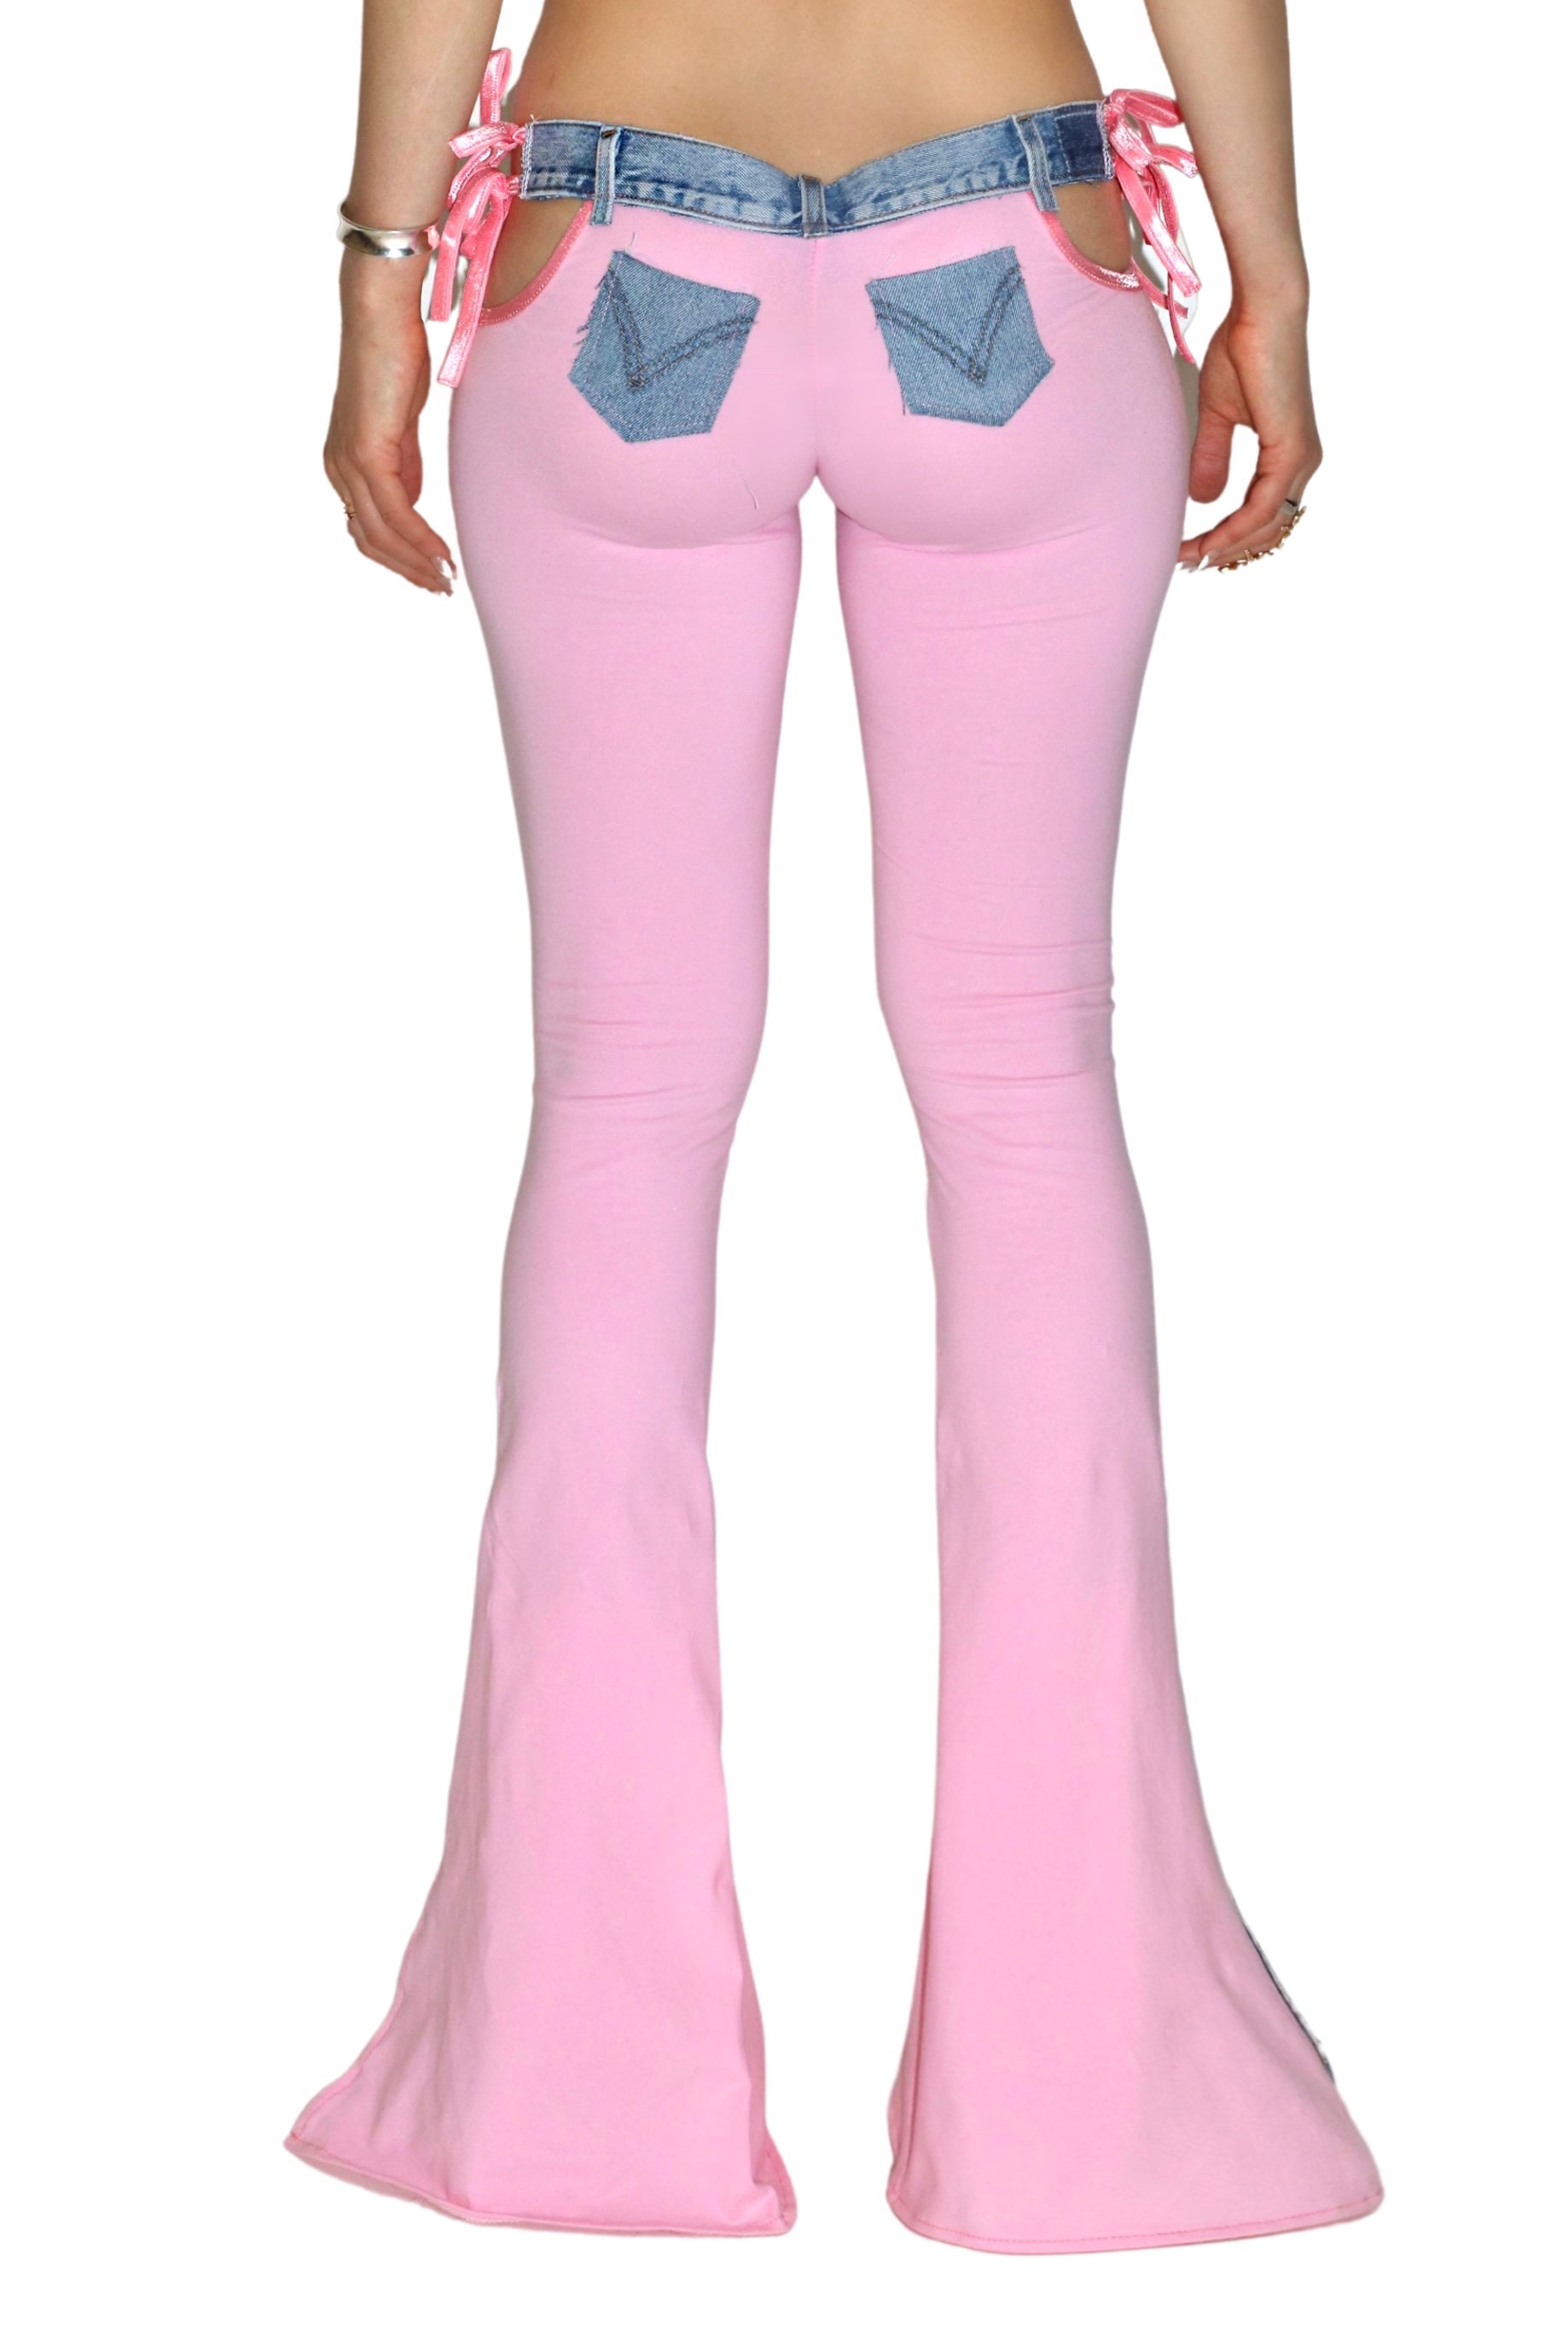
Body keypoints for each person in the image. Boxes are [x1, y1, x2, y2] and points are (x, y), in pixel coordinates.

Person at [289, 0, 1382, 2251]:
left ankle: (568, 2092)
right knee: (1025, 1095)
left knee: (621, 1100)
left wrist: (381, 270)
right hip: (1000, 247)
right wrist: (1270, 270)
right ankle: (1087, 2109)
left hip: (616, 259)